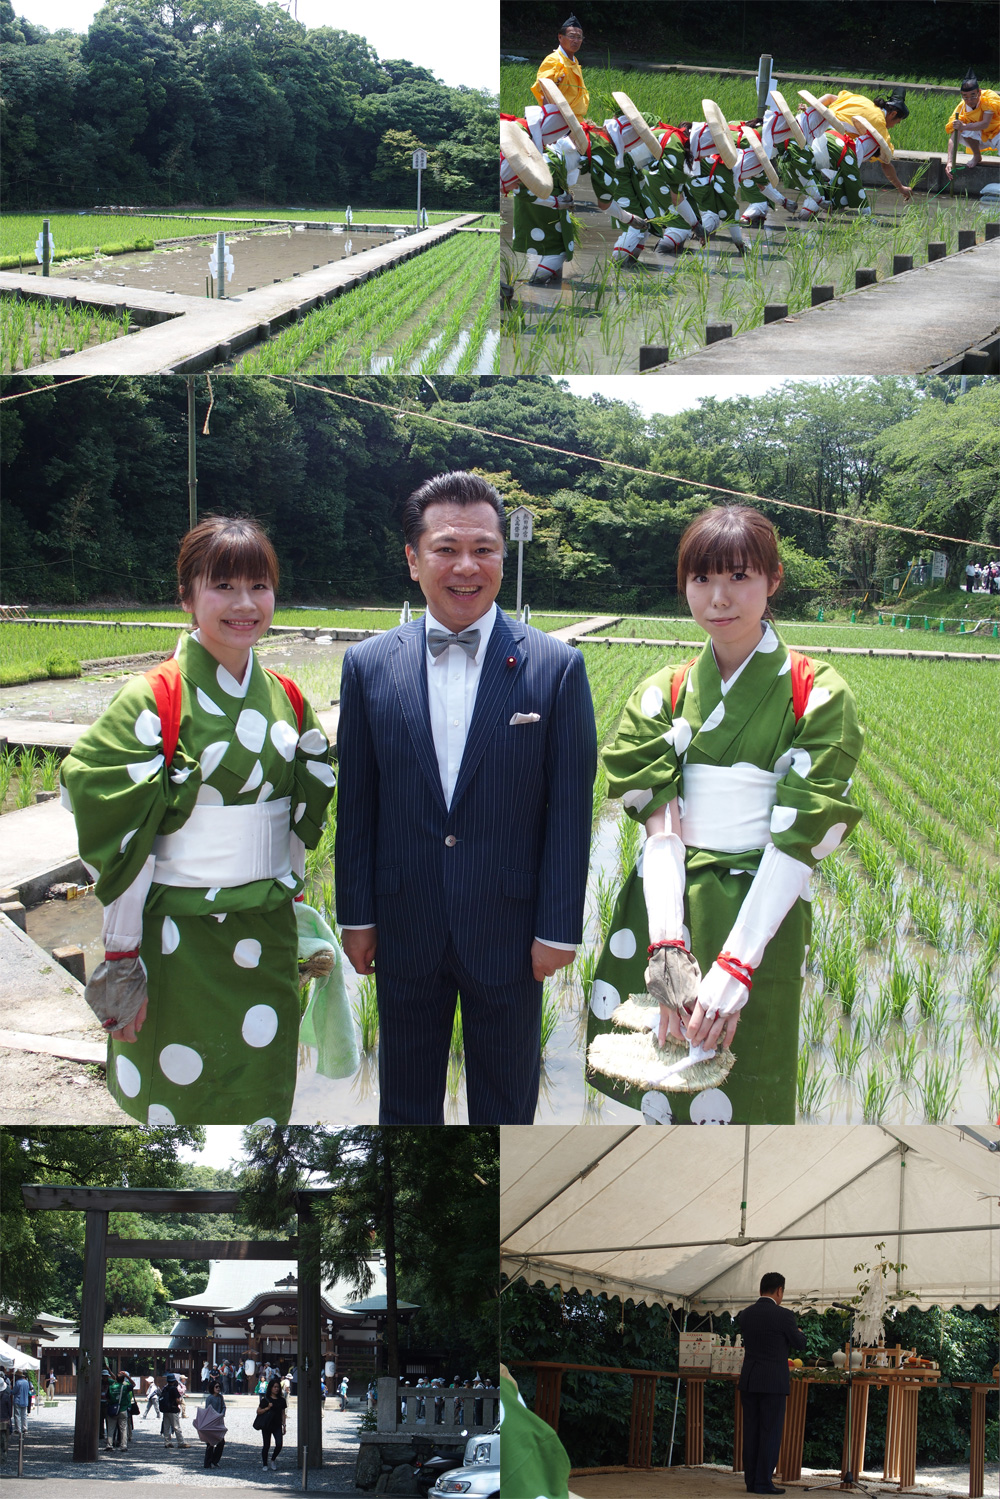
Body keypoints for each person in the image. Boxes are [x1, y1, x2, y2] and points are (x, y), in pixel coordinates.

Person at [336, 471, 597, 1125]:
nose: (465, 565)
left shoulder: (555, 666)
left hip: (511, 933)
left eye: (483, 549)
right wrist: (356, 915)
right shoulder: (369, 666)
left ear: (503, 559)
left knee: (508, 1107)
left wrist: (558, 928)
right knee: (405, 1104)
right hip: (406, 922)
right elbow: (358, 805)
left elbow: (569, 809)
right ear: (412, 558)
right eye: (446, 547)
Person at [586, 506, 863, 1124]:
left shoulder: (816, 692)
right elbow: (663, 828)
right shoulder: (665, 689)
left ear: (773, 580)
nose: (719, 598)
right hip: (669, 904)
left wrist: (737, 963)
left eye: (739, 577)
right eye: (701, 580)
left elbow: (798, 841)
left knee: (748, 1088)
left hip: (761, 910)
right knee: (663, 1079)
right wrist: (667, 949)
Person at [59, 515, 336, 1124]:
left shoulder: (287, 695)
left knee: (260, 1097)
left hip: (264, 934)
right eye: (223, 587)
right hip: (173, 941)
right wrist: (122, 956)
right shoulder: (152, 698)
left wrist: (292, 904)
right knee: (175, 1097)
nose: (245, 604)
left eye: (259, 587)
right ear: (186, 596)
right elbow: (119, 836)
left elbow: (298, 818)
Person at [737, 1273, 807, 1494]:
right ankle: (763, 1482)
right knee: (770, 1431)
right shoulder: (784, 1316)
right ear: (779, 1291)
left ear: (760, 1290)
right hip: (773, 1382)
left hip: (749, 1379)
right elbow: (800, 1344)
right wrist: (798, 1333)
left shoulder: (745, 1314)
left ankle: (751, 1482)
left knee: (751, 1431)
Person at [531, 15, 588, 120]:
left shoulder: (574, 61)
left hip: (576, 120)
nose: (576, 40)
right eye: (571, 36)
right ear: (560, 37)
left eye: (579, 37)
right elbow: (546, 94)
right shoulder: (554, 60)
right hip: (559, 120)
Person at [945, 71, 1000, 178]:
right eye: (965, 97)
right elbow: (954, 136)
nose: (969, 100)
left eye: (973, 96)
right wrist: (949, 162)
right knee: (963, 131)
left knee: (965, 127)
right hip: (981, 135)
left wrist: (964, 126)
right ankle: (977, 156)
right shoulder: (962, 108)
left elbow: (985, 123)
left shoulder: (989, 99)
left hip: (997, 131)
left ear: (979, 93)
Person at [257, 1375, 287, 1471]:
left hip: (277, 1424)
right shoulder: (265, 1399)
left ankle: (273, 1459)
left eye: (278, 1387)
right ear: (270, 1388)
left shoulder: (282, 1400)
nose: (276, 1389)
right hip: (267, 1424)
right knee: (266, 1445)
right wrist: (267, 1408)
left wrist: (284, 1425)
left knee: (279, 1444)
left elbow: (283, 1413)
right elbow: (258, 1411)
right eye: (274, 1387)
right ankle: (265, 1464)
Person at [105, 1370, 134, 1451]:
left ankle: (109, 1445)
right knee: (123, 1429)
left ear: (116, 1379)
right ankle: (123, 1445)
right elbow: (133, 1384)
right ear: (123, 1379)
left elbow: (107, 1397)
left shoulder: (111, 1387)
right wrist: (127, 1376)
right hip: (123, 1409)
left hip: (112, 1410)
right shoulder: (125, 1387)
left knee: (111, 1428)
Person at [201, 1377, 226, 1469]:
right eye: (216, 1387)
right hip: (211, 1422)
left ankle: (215, 1460)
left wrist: (222, 1414)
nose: (218, 1388)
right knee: (210, 1443)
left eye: (219, 1387)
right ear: (212, 1388)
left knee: (221, 1442)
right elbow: (208, 1409)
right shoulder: (210, 1398)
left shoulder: (220, 1397)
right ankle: (207, 1462)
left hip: (219, 1421)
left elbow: (224, 1407)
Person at [159, 1372, 186, 1449]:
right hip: (173, 1409)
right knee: (176, 1427)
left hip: (165, 1410)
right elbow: (177, 1400)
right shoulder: (174, 1389)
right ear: (174, 1381)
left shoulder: (165, 1388)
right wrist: (180, 1403)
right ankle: (180, 1442)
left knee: (166, 1426)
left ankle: (167, 1442)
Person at [11, 1372, 32, 1437]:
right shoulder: (26, 1382)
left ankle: (18, 1429)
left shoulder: (17, 1382)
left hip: (18, 1400)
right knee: (24, 1415)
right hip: (25, 1400)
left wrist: (10, 1390)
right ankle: (25, 1428)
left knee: (17, 1415)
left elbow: (14, 1392)